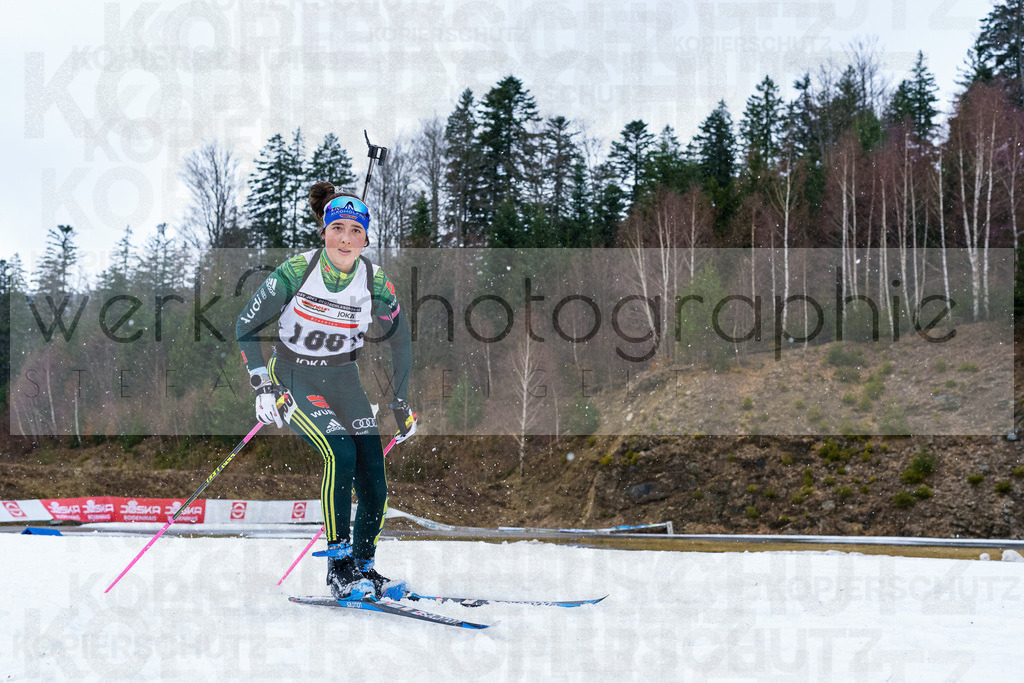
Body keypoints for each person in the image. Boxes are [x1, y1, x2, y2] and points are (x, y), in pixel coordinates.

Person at [235, 182, 416, 601]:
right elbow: (245, 326)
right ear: (324, 231)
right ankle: (339, 570)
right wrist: (262, 383)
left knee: (372, 470)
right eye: (338, 228)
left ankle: (364, 567)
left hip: (343, 379)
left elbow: (401, 337)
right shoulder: (297, 271)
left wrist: (400, 400)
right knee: (341, 452)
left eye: (356, 230)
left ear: (366, 238)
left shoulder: (374, 278)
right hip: (293, 376)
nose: (346, 238)